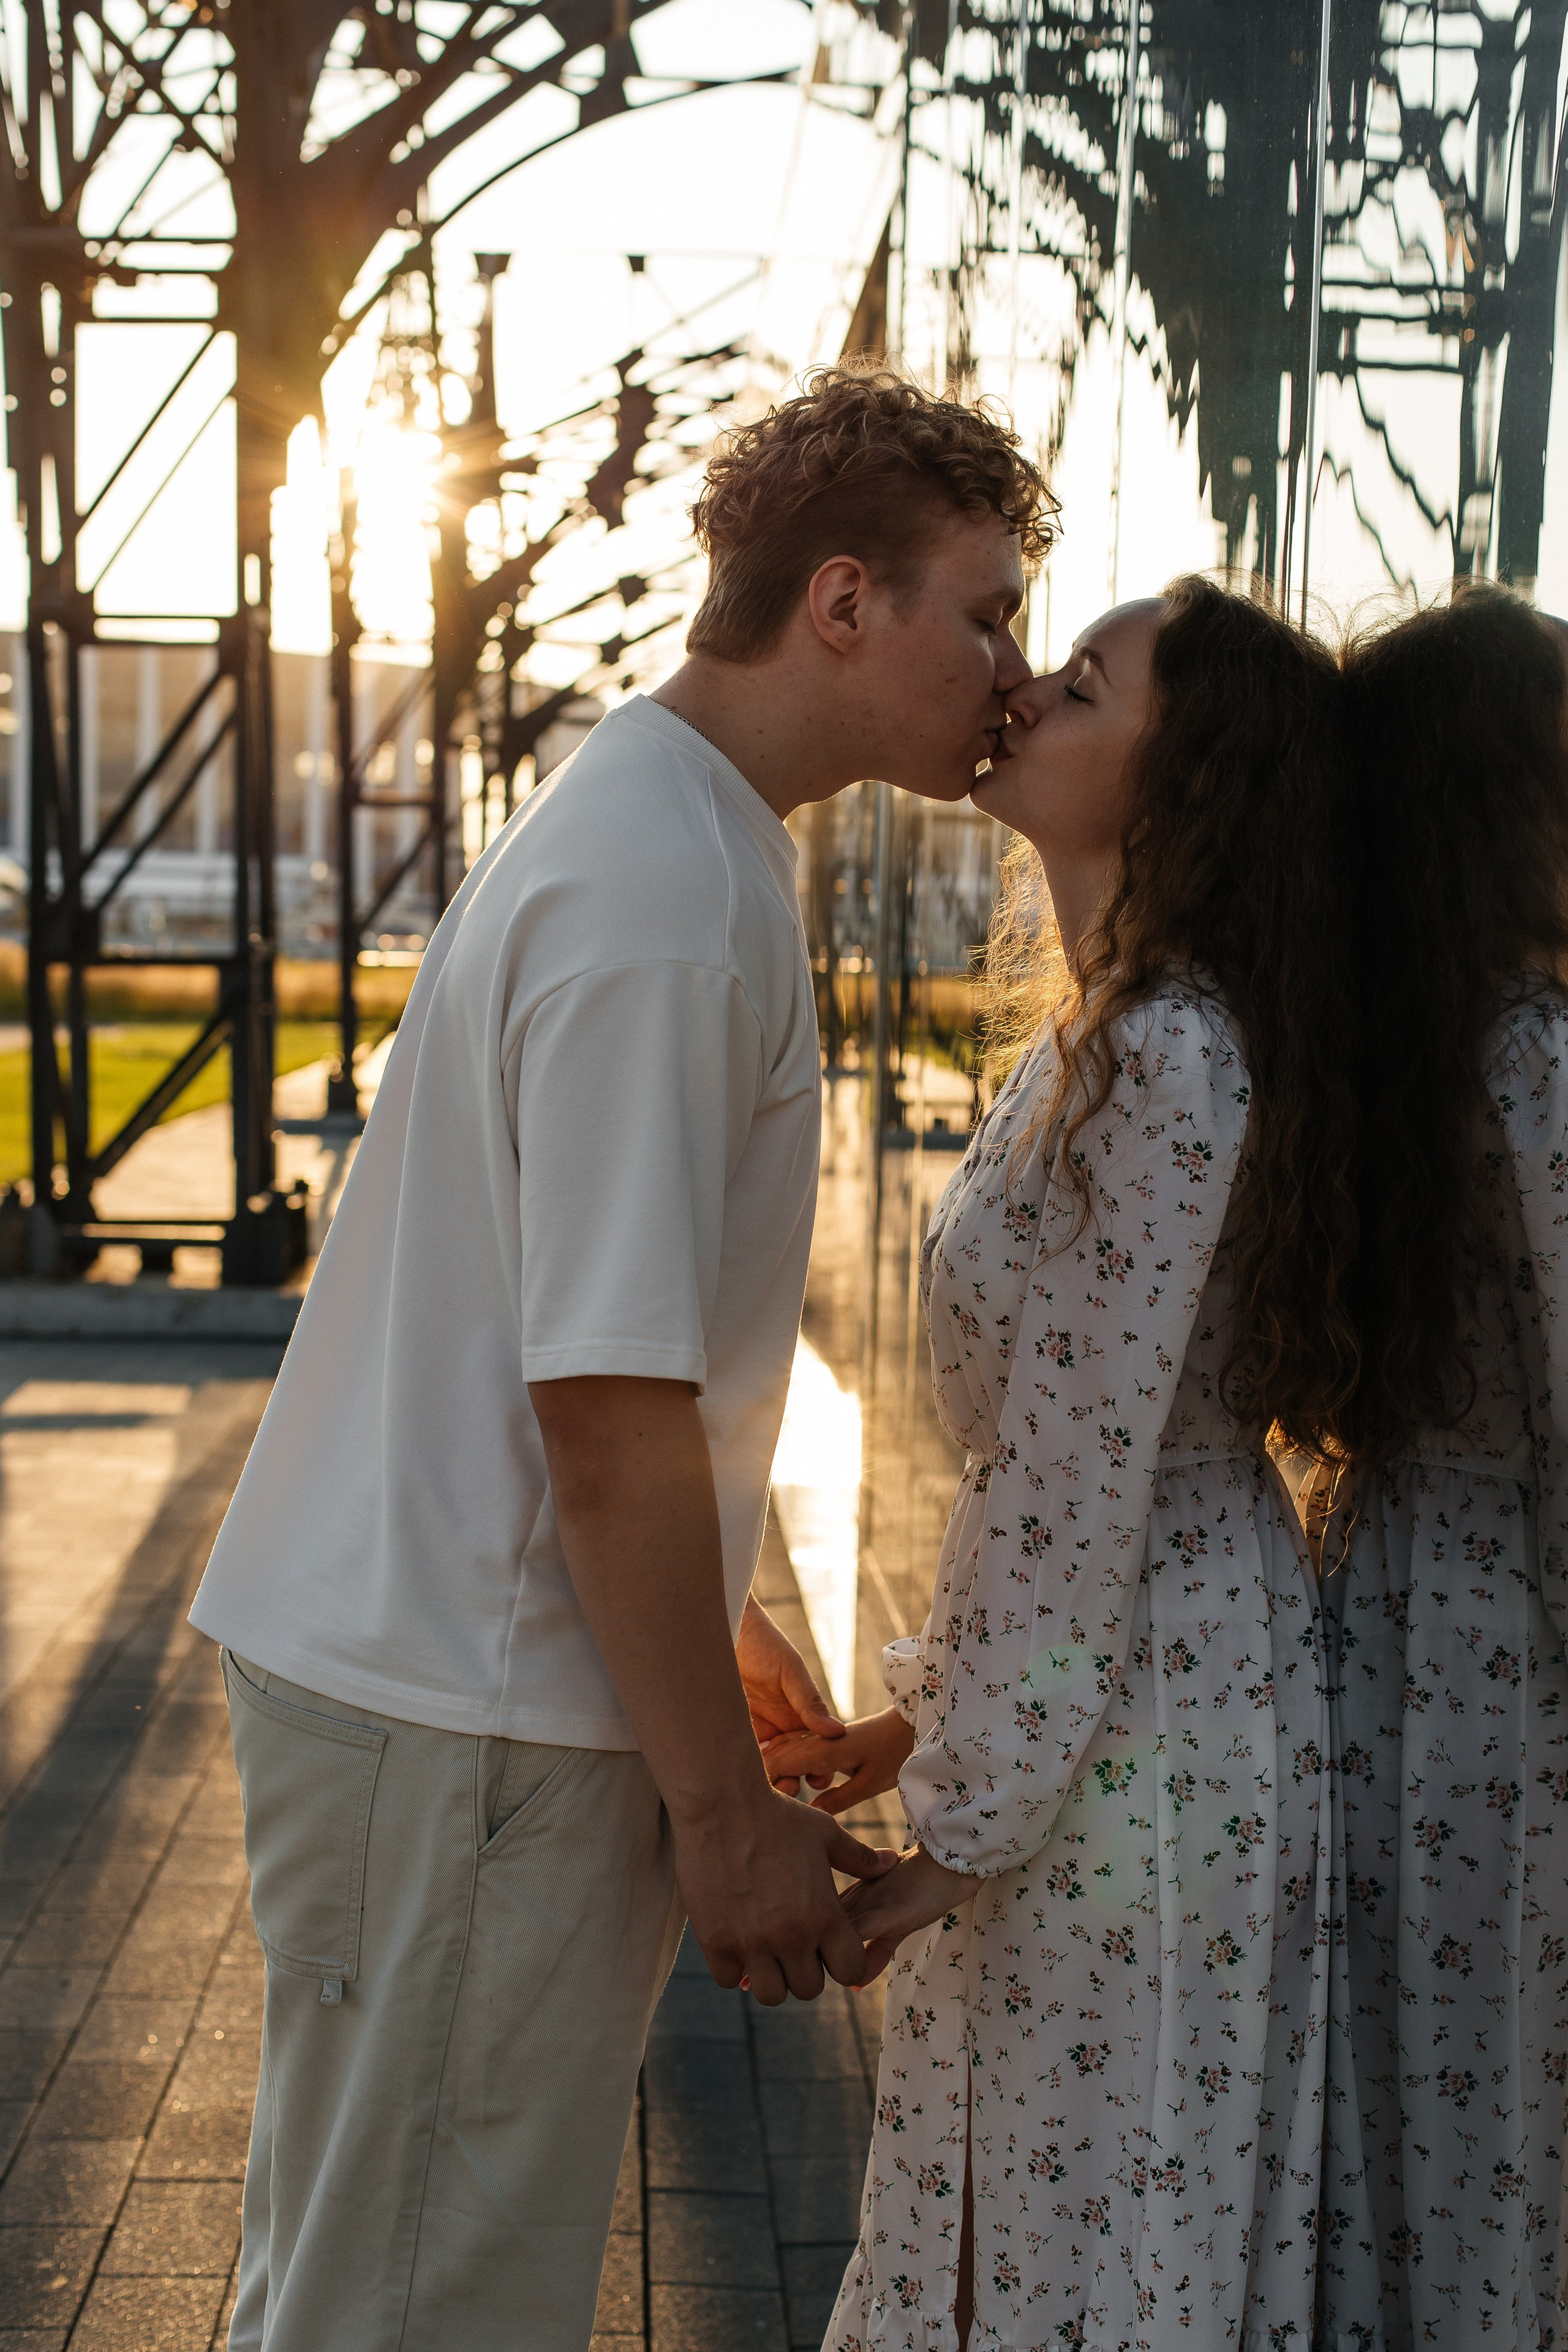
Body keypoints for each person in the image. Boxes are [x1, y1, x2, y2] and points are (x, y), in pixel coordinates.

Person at [186, 366, 1054, 2352]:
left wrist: (722, 1609)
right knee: (420, 2303)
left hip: (438, 1682)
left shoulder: (664, 822)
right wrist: (720, 1812)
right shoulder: (672, 890)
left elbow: (581, 1351)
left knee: (357, 2274)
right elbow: (599, 1405)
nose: (1008, 669)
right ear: (845, 604)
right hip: (469, 1714)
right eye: (984, 613)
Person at [763, 577, 1359, 2351]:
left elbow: (1083, 1477)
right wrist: (920, 1741)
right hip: (1110, 1702)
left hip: (1149, 1737)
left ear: (1186, 787)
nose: (1025, 689)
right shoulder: (1110, 1039)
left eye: (1084, 686)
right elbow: (1055, 1476)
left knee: (1064, 2241)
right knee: (1020, 2225)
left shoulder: (1172, 1057)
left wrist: (959, 1825)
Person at [1311, 584, 1568, 2351]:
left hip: (1389, 1619)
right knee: (1500, 2144)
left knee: (1403, 2125)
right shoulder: (1537, 1059)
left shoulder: (1378, 1051)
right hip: (1516, 1662)